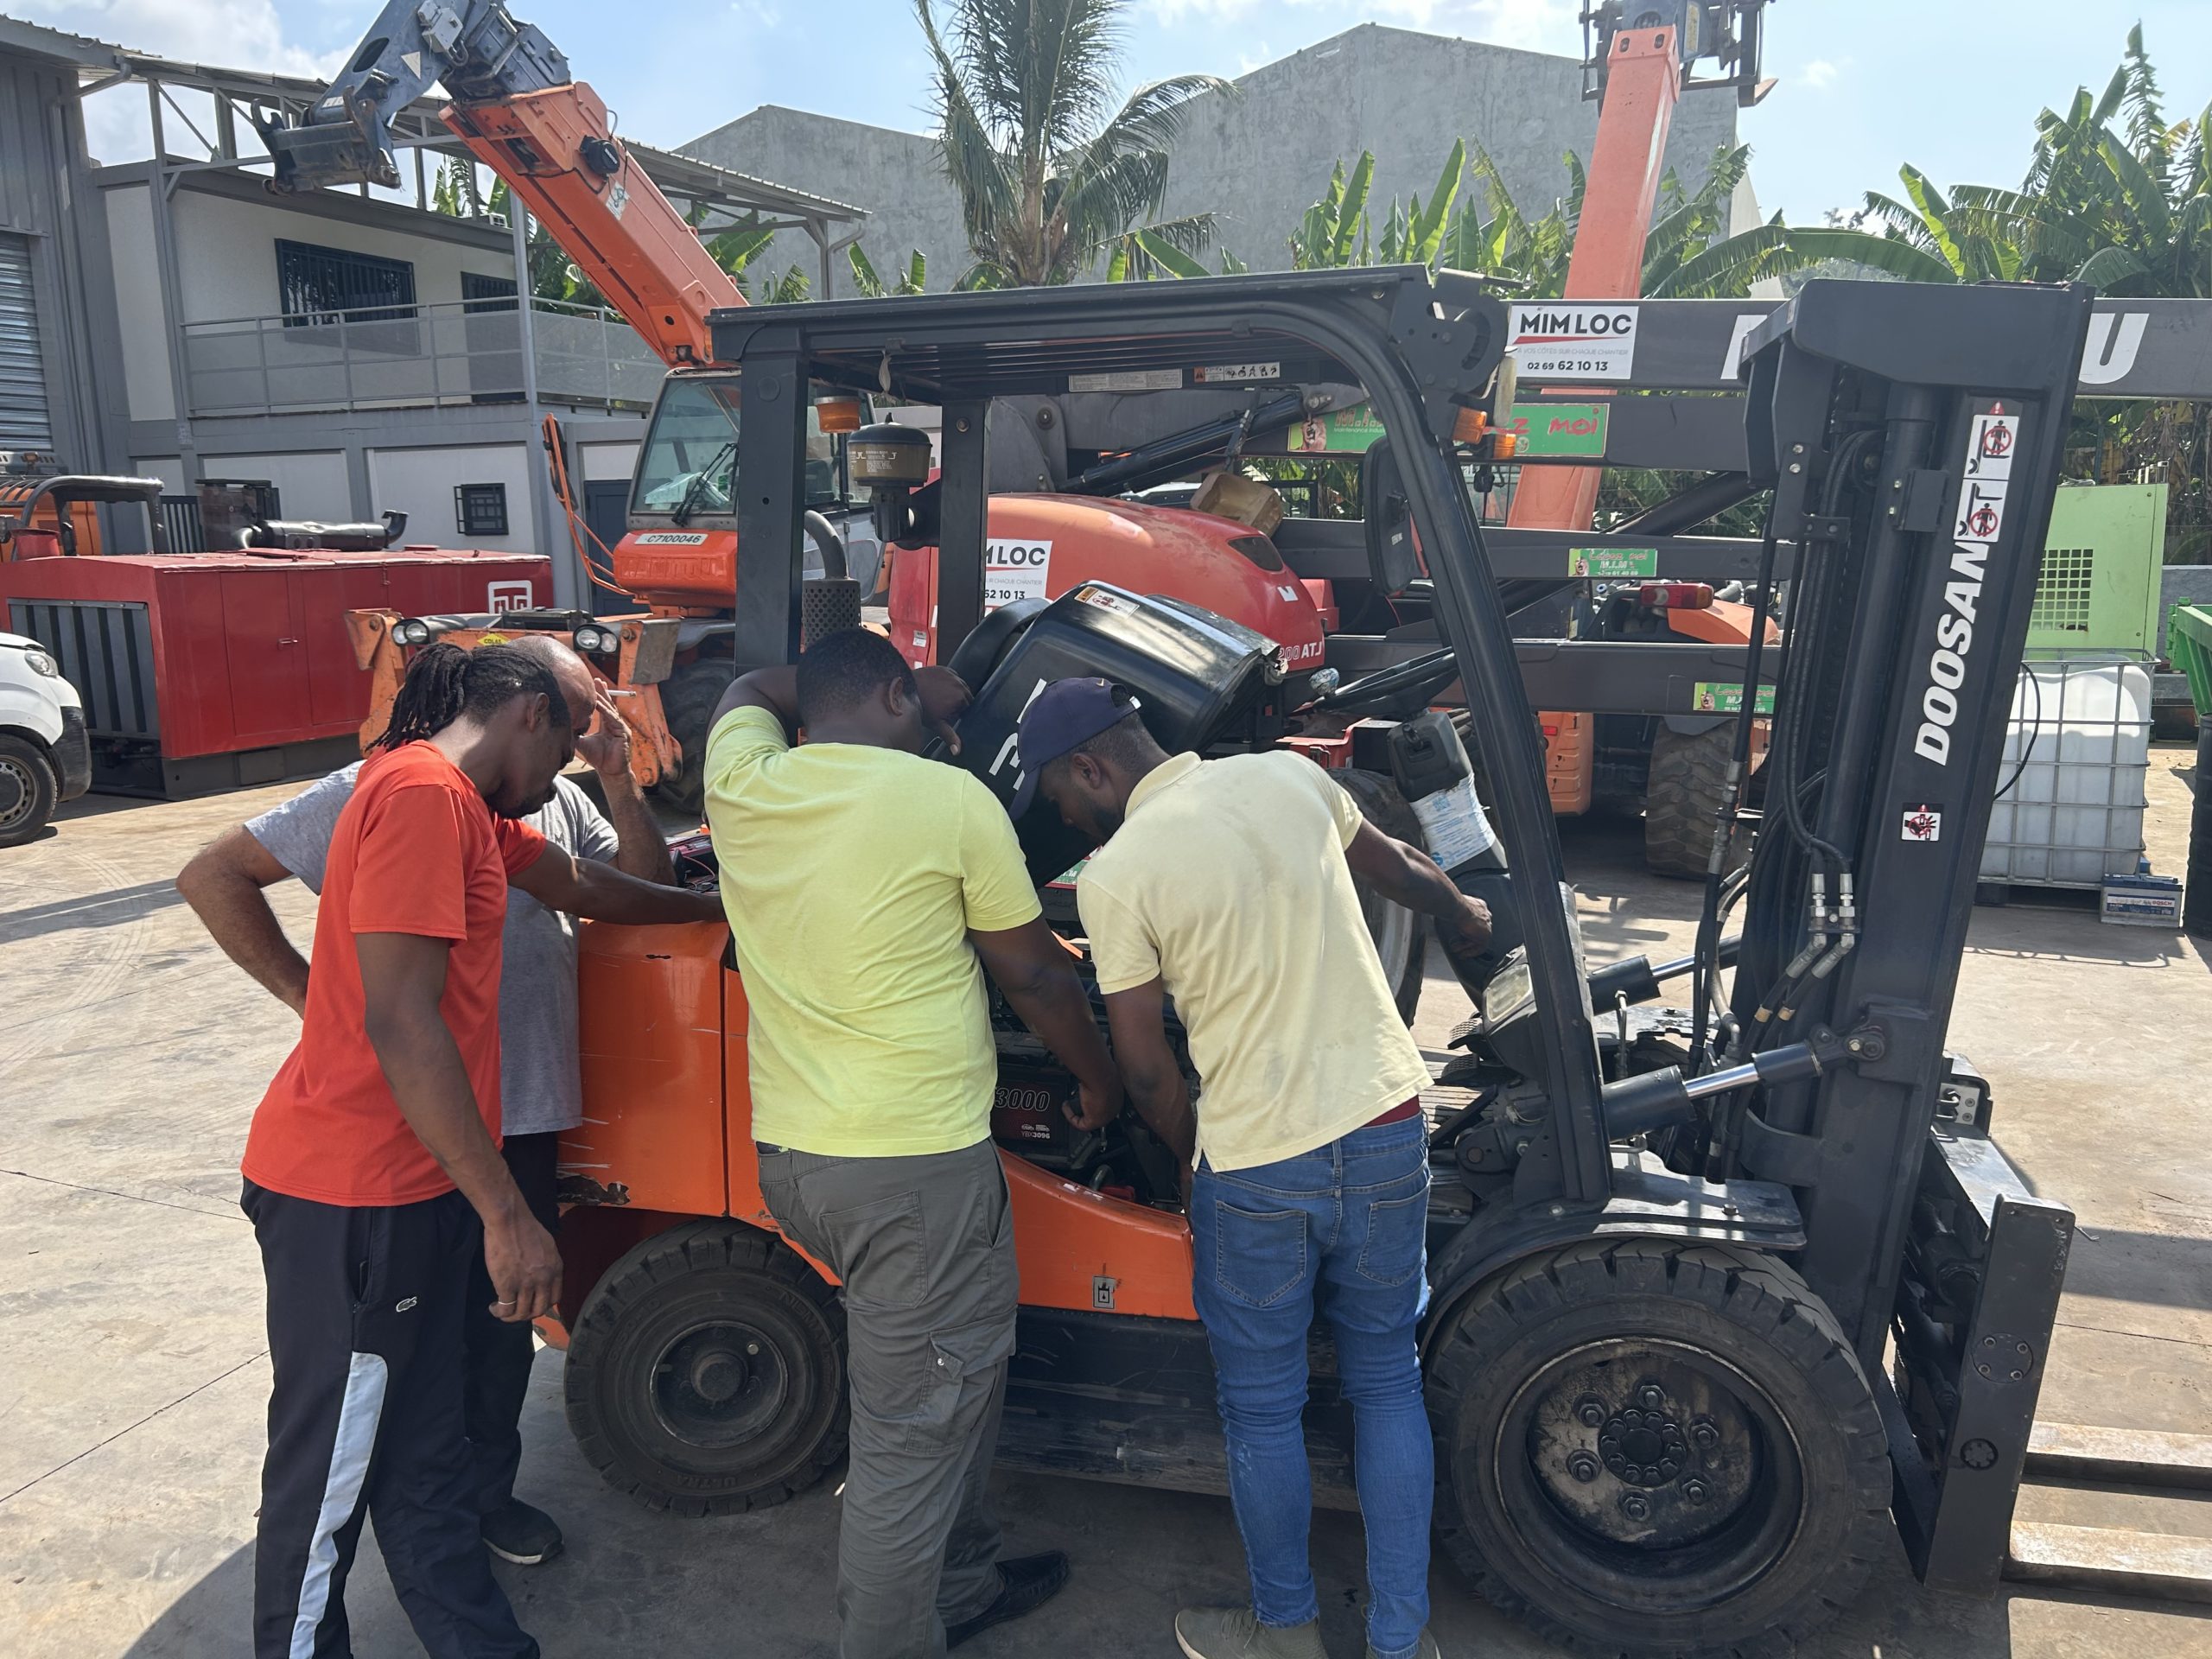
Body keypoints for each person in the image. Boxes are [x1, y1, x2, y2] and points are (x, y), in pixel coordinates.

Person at [203, 641, 721, 1659]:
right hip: (354, 1195)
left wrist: (722, 911)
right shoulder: (416, 796)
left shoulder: (476, 813)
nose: (576, 758)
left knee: (429, 1452)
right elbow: (403, 1022)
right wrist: (505, 1214)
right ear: (529, 712)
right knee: (330, 1473)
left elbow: (590, 888)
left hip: (421, 1182)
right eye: (574, 735)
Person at [1020, 678, 1491, 1659]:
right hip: (1383, 1121)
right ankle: (1401, 1640)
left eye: (1060, 796)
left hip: (1256, 1161)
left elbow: (1146, 1067)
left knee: (1262, 1405)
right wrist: (1466, 913)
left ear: (1092, 768)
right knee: (1386, 1379)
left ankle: (1286, 1633)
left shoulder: (1117, 877)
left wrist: (1189, 1159)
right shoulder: (1289, 778)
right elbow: (1403, 868)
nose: (1063, 817)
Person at [702, 627, 1124, 1659]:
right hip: (911, 1175)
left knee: (951, 1389)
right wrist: (1100, 1078)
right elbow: (1033, 975)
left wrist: (908, 686)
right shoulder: (948, 803)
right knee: (907, 1442)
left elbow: (749, 684)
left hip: (800, 1159)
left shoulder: (745, 781)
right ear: (895, 697)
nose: (948, 736)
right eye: (935, 719)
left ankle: (963, 1583)